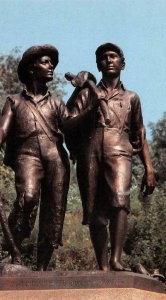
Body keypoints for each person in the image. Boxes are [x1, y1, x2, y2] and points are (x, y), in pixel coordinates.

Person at [65, 43, 155, 271]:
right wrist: (90, 108)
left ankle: (116, 259)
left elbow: (139, 132)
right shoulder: (86, 92)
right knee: (94, 211)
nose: (108, 60)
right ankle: (103, 265)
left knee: (120, 201)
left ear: (122, 63)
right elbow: (67, 123)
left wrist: (149, 168)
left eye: (113, 56)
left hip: (120, 151)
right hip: (90, 152)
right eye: (103, 57)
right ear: (98, 64)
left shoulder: (132, 98)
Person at [0, 44, 70, 270]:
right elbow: (2, 129)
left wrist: (86, 95)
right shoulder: (15, 101)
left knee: (54, 211)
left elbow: (71, 125)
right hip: (27, 153)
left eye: (52, 63)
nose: (51, 66)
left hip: (56, 157)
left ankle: (42, 267)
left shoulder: (57, 103)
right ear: (32, 68)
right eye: (45, 62)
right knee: (28, 197)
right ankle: (12, 247)